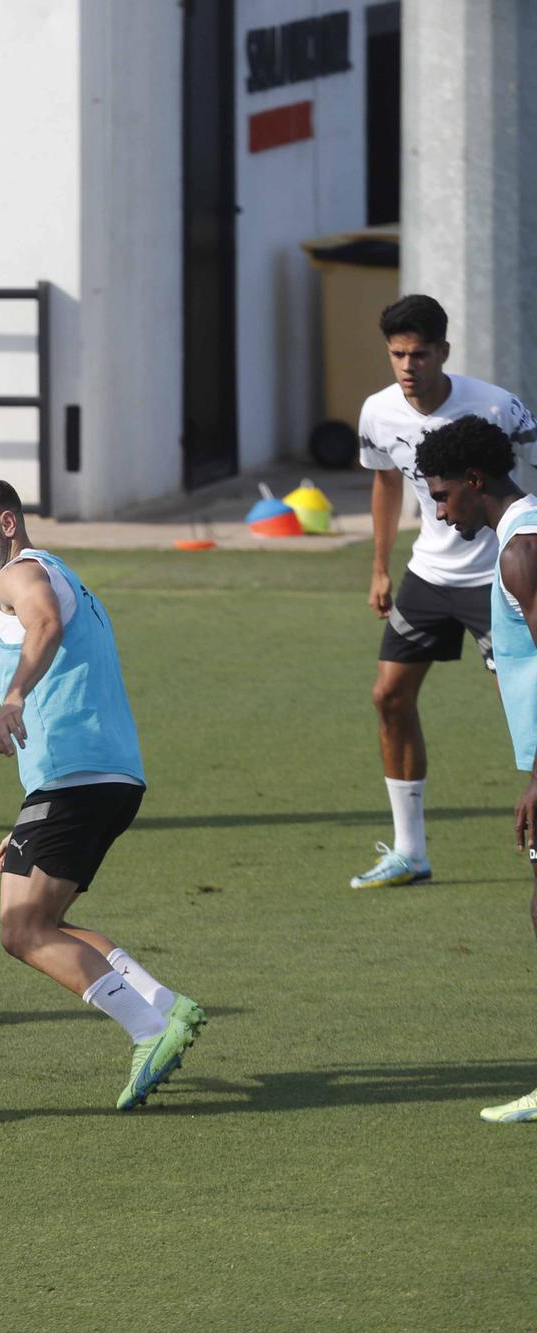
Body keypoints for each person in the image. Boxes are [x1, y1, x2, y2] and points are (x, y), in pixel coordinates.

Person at [0, 477, 205, 1110]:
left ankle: (149, 1029)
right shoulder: (60, 569)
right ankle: (166, 1005)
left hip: (77, 780)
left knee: (20, 929)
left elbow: (45, 624)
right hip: (101, 779)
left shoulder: (20, 575)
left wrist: (13, 696)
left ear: (7, 524)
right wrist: (31, 815)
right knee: (46, 920)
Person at [354, 294, 537, 888]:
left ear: (443, 352)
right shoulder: (378, 413)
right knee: (389, 696)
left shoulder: (495, 405)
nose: (408, 366)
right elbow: (385, 483)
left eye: (419, 354)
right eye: (397, 354)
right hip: (429, 575)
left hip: (500, 575)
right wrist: (380, 565)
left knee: (520, 704)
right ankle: (411, 851)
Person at [412, 417, 537, 1123]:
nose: (439, 512)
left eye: (442, 496)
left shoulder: (522, 552)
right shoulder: (522, 538)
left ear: (475, 482)